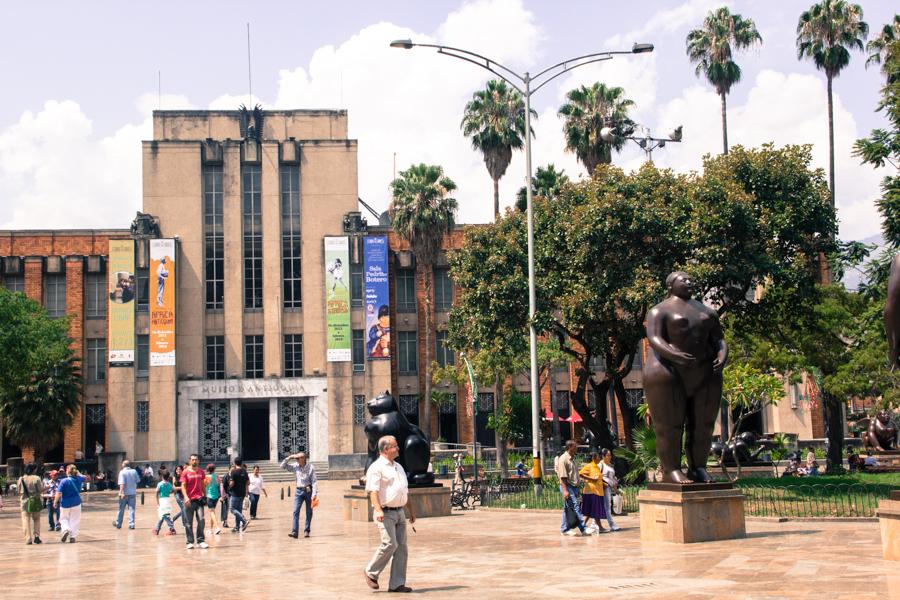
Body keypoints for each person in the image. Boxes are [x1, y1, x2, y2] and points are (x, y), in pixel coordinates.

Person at [364, 435, 416, 593]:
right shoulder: (377, 467)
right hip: (385, 512)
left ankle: (397, 584)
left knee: (401, 548)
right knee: (390, 544)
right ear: (386, 449)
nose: (398, 448)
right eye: (395, 446)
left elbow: (404, 491)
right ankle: (370, 572)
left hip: (399, 512)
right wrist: (378, 509)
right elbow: (373, 491)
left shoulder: (398, 467)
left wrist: (411, 511)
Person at [281, 452, 317, 538]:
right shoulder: (295, 466)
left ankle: (306, 531)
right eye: (297, 458)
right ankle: (295, 532)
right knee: (295, 511)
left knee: (309, 512)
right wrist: (289, 457)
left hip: (309, 491)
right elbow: (282, 466)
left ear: (304, 458)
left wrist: (314, 494)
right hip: (298, 491)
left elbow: (314, 481)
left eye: (299, 458)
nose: (297, 460)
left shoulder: (310, 467)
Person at [556, 440, 587, 536]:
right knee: (575, 506)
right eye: (575, 446)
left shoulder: (572, 459)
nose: (576, 448)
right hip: (567, 486)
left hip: (574, 487)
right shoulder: (563, 459)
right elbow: (563, 477)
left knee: (568, 508)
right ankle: (584, 528)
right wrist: (565, 491)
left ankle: (564, 529)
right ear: (570, 447)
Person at [180, 454, 209, 549]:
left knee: (201, 520)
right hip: (189, 500)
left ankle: (201, 540)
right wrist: (186, 497)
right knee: (188, 522)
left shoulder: (201, 472)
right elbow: (183, 486)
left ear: (198, 461)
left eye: (196, 460)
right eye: (192, 460)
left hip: (199, 500)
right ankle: (189, 541)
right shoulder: (185, 472)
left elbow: (203, 484)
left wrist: (206, 495)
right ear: (189, 461)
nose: (194, 461)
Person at [54, 464, 85, 543]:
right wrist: (79, 474)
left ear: (67, 471)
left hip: (65, 503)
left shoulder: (64, 481)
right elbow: (87, 478)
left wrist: (55, 502)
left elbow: (59, 493)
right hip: (76, 503)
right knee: (75, 520)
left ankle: (65, 530)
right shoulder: (79, 479)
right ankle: (73, 537)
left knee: (63, 518)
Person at [578, 452, 607, 534]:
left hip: (598, 491)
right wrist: (591, 479)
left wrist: (604, 484)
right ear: (594, 457)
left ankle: (599, 527)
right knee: (590, 511)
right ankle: (582, 526)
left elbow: (598, 479)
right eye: (598, 457)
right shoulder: (589, 466)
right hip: (591, 492)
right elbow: (580, 474)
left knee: (595, 511)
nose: (599, 458)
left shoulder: (597, 467)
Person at [17, 463, 45, 545]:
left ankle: (28, 538)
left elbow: (19, 491)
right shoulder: (37, 478)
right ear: (34, 469)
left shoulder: (21, 478)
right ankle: (36, 537)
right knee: (36, 519)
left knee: (25, 519)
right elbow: (40, 490)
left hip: (24, 501)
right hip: (35, 500)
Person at [113, 459, 140, 529]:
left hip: (124, 494)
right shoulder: (134, 471)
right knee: (131, 510)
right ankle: (131, 524)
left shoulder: (122, 472)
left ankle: (118, 524)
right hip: (132, 493)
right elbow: (138, 480)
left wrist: (122, 493)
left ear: (124, 465)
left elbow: (122, 483)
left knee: (121, 509)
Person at [600, 448, 621, 531]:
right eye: (608, 455)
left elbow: (613, 479)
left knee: (607, 506)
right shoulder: (600, 465)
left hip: (609, 487)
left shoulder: (610, 465)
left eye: (610, 455)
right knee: (607, 506)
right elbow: (597, 476)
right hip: (603, 487)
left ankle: (594, 524)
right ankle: (612, 524)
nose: (610, 457)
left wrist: (616, 489)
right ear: (603, 456)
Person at [228, 457, 250, 532]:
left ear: (235, 463)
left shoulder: (233, 472)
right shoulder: (244, 471)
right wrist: (246, 491)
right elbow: (248, 483)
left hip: (235, 493)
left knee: (232, 509)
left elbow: (232, 483)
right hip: (242, 493)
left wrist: (229, 485)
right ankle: (237, 527)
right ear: (241, 463)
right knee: (238, 510)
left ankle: (244, 520)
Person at [153, 471, 177, 536]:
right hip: (168, 500)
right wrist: (169, 492)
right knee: (164, 515)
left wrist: (157, 502)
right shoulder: (169, 484)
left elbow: (156, 493)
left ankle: (171, 528)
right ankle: (157, 529)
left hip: (162, 500)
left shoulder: (160, 484)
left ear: (162, 476)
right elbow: (174, 490)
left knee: (164, 515)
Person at [205, 464, 222, 535]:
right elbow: (219, 485)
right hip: (216, 496)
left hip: (209, 496)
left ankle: (217, 527)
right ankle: (211, 529)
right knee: (212, 513)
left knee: (212, 512)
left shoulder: (207, 477)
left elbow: (204, 486)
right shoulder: (217, 476)